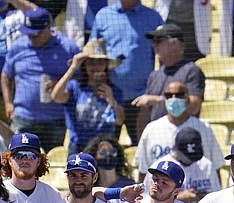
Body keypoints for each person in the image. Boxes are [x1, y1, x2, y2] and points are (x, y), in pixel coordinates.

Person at [1, 7, 80, 151]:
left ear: (48, 28)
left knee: (53, 166)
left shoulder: (68, 49)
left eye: (36, 34)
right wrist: (8, 103)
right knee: (19, 162)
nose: (31, 37)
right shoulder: (18, 46)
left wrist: (61, 85)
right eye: (28, 33)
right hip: (23, 118)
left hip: (56, 120)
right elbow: (6, 75)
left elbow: (81, 80)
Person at [90, 0, 164, 144]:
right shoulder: (103, 16)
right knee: (103, 150)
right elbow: (93, 53)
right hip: (109, 98)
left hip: (141, 100)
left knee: (143, 148)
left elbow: (162, 59)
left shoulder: (153, 17)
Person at [133, 81, 223, 183]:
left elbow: (216, 167)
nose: (174, 99)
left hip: (197, 193)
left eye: (179, 95)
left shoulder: (203, 128)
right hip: (162, 195)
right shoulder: (151, 129)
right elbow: (143, 171)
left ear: (188, 100)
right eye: (169, 95)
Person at [51, 38, 124, 153]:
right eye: (91, 62)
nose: (95, 67)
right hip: (78, 148)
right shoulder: (75, 87)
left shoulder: (115, 91)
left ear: (106, 64)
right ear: (84, 65)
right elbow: (56, 96)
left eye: (100, 62)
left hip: (104, 149)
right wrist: (73, 67)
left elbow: (120, 121)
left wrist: (112, 101)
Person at [133, 23, 205, 137]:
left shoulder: (191, 71)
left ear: (174, 43)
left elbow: (194, 106)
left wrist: (160, 100)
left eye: (158, 41)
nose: (154, 45)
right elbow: (146, 114)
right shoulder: (154, 75)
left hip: (183, 136)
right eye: (153, 41)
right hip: (157, 138)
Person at [1, 132, 62, 203]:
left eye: (30, 156)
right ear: (9, 160)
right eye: (19, 156)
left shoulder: (53, 195)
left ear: (38, 161)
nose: (24, 160)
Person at [159, 128, 219, 203]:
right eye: (187, 156)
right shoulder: (161, 166)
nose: (191, 160)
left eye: (194, 156)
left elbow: (217, 197)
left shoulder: (206, 165)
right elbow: (149, 200)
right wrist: (178, 198)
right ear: (175, 148)